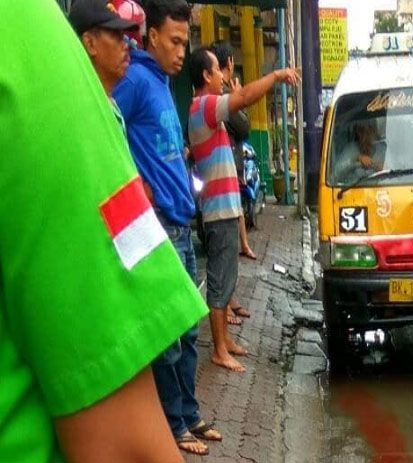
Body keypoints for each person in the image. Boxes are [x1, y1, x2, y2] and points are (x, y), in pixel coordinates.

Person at [0, 0, 209, 461]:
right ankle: (177, 420)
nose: (126, 44)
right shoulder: (30, 40)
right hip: (131, 242)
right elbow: (126, 442)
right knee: (162, 348)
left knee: (180, 338)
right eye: (115, 35)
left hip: (163, 228)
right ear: (88, 43)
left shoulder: (148, 83)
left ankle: (185, 415)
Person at [112, 0, 217, 455]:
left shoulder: (162, 80)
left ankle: (189, 414)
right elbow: (107, 129)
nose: (181, 51)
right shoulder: (134, 80)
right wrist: (137, 182)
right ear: (150, 35)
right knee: (169, 338)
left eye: (185, 41)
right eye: (174, 41)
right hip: (159, 230)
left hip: (180, 223)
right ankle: (172, 426)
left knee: (189, 330)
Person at [187, 47, 301, 373]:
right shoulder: (204, 106)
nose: (224, 76)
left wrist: (236, 96)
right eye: (218, 71)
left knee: (227, 275)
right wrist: (277, 75)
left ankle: (226, 342)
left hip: (225, 208)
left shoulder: (209, 110)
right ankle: (219, 349)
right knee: (220, 281)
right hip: (218, 209)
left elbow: (242, 120)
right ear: (206, 75)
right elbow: (246, 99)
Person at [211, 41, 257, 263]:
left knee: (236, 205)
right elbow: (243, 127)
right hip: (225, 159)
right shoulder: (224, 98)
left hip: (222, 159)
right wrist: (239, 98)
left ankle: (244, 244)